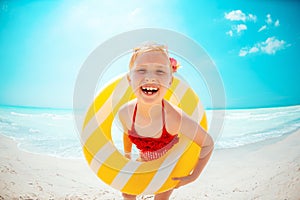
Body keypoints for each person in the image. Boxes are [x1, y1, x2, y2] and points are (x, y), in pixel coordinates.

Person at [118, 42, 214, 200]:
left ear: (170, 81)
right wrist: (127, 157)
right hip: (143, 160)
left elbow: (208, 143)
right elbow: (127, 133)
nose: (150, 77)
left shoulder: (174, 119)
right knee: (127, 193)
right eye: (141, 70)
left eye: (160, 71)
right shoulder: (125, 113)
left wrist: (193, 176)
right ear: (129, 79)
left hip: (169, 167)